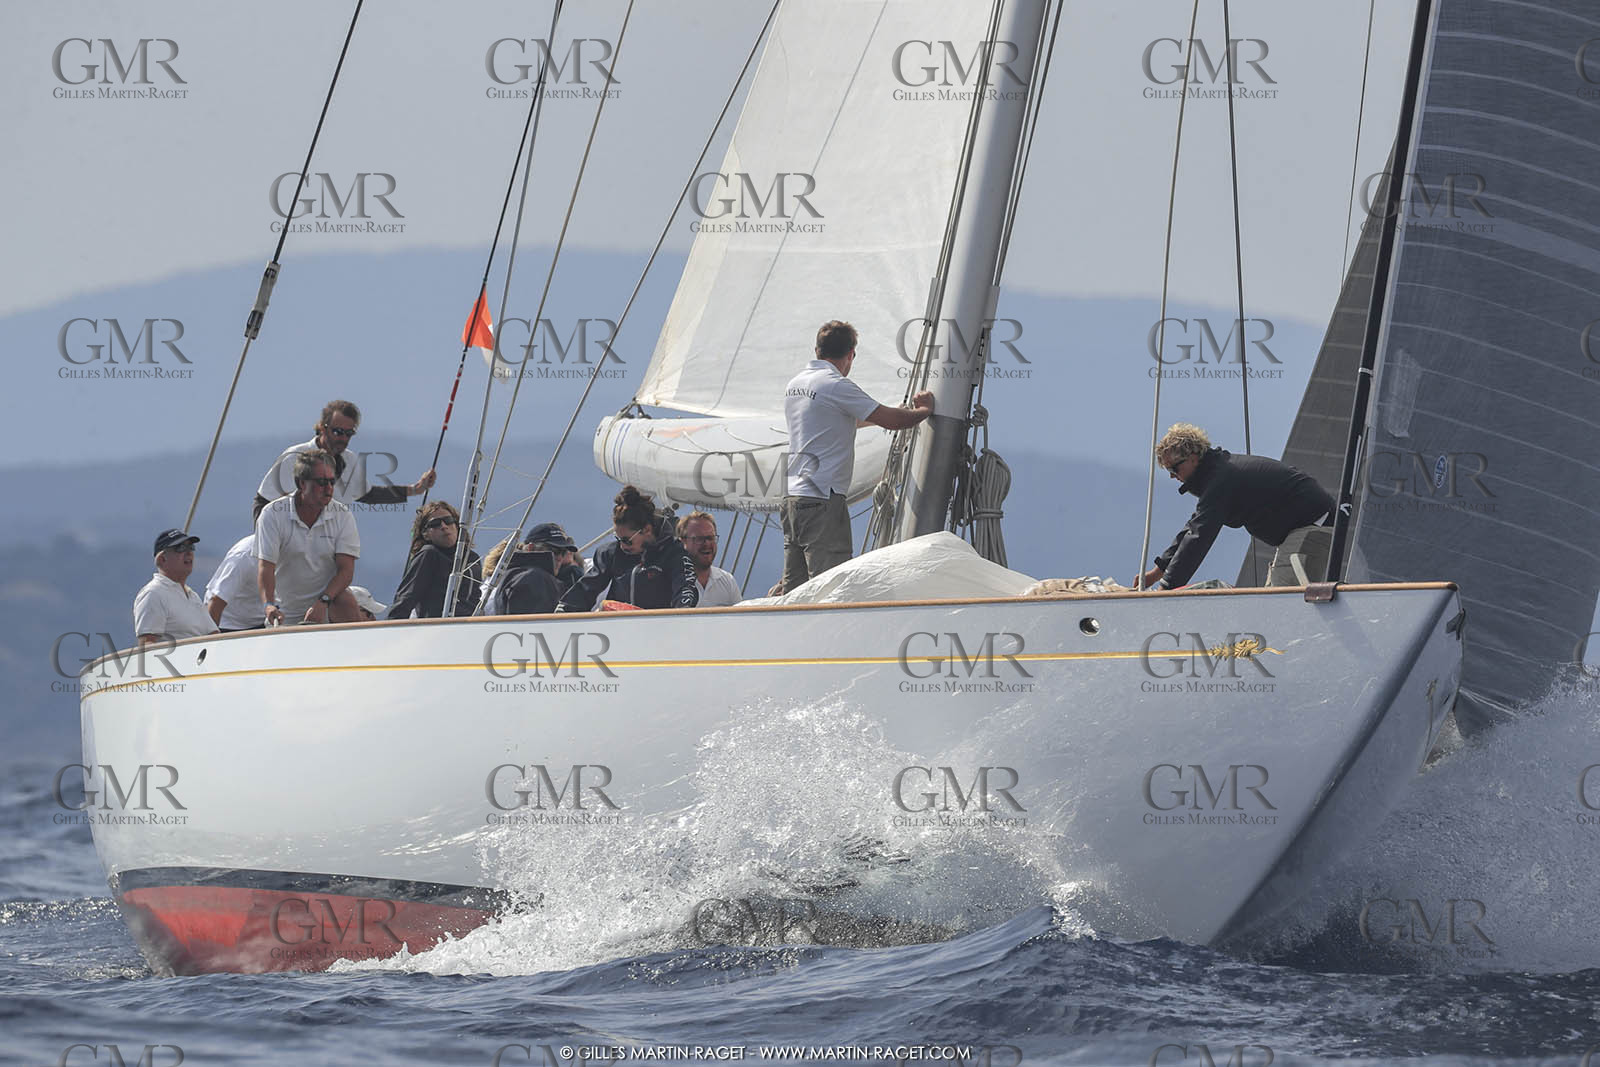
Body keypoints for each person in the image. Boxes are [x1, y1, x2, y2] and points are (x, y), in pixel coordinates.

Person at [781, 320, 935, 592]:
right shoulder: (836, 385)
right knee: (830, 586)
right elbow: (893, 421)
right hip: (822, 500)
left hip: (793, 498)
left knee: (795, 588)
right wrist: (923, 411)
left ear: (817, 349)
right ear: (851, 354)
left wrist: (875, 416)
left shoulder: (795, 385)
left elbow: (834, 419)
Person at [1136, 423, 1337, 591]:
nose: (1172, 475)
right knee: (1273, 601)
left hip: (1312, 524)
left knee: (1277, 605)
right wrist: (1157, 573)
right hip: (1304, 527)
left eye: (1174, 468)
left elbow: (1199, 537)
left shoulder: (1221, 480)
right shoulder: (1217, 474)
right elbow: (1193, 527)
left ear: (1192, 457)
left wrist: (1165, 588)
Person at [254, 399, 436, 513]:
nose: (343, 438)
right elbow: (263, 502)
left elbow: (368, 494)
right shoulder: (295, 457)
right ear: (323, 427)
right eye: (338, 431)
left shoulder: (351, 461)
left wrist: (416, 489)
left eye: (349, 433)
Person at [256, 450, 362, 626]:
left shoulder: (343, 516)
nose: (328, 488)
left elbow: (346, 571)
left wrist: (323, 602)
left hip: (327, 605)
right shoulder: (272, 514)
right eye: (321, 482)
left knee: (346, 600)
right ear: (301, 483)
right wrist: (268, 605)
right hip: (283, 613)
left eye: (331, 481)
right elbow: (265, 567)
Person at [558, 486, 698, 611]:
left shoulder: (675, 552)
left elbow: (685, 587)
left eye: (626, 540)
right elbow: (587, 588)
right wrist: (564, 609)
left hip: (659, 629)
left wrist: (682, 613)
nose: (622, 546)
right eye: (618, 539)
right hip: (619, 629)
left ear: (647, 530)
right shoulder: (610, 553)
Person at [387, 501, 481, 619]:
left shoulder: (472, 558)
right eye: (435, 524)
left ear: (457, 525)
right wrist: (392, 630)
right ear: (425, 534)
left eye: (448, 520)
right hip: (437, 629)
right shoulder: (428, 554)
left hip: (472, 628)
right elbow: (405, 599)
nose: (444, 526)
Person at [134, 529, 221, 646]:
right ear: (162, 559)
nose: (189, 553)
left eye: (191, 548)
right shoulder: (153, 593)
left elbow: (213, 635)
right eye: (180, 548)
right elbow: (146, 645)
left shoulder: (192, 595)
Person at [489, 522, 582, 616]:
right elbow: (531, 626)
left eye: (563, 553)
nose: (560, 558)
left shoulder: (519, 575)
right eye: (555, 551)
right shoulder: (534, 578)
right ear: (531, 548)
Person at [205, 526, 266, 633]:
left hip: (260, 621)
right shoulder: (244, 555)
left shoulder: (288, 544)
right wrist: (210, 641)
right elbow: (216, 601)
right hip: (229, 625)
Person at [677, 511, 742, 607]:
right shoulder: (670, 582)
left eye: (710, 538)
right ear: (683, 542)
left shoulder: (727, 581)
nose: (707, 543)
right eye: (699, 539)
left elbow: (741, 619)